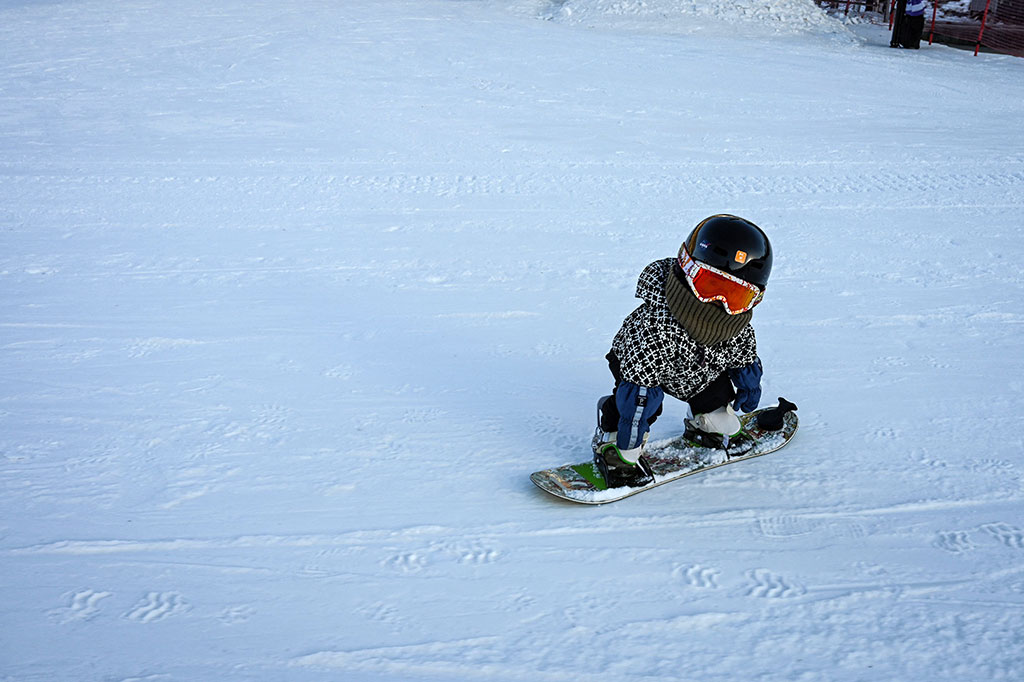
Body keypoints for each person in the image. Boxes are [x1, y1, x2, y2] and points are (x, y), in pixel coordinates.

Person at [592, 215, 772, 488]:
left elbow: (742, 355)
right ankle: (613, 439)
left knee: (721, 410)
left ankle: (704, 422)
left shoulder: (734, 326)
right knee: (641, 409)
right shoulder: (657, 327)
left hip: (697, 372)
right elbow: (639, 386)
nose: (719, 304)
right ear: (687, 271)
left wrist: (749, 383)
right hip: (637, 371)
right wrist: (633, 421)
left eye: (735, 296)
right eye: (710, 286)